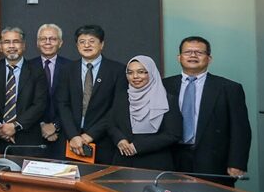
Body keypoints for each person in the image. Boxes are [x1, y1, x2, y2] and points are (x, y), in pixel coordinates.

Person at [163, 36, 252, 187]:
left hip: (213, 161)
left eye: (199, 52)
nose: (193, 55)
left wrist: (237, 162)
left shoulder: (229, 88)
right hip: (172, 158)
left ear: (209, 58)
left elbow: (240, 129)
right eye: (188, 52)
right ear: (179, 57)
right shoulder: (164, 86)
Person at [56, 24, 126, 164]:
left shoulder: (117, 70)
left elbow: (116, 109)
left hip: (103, 139)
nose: (86, 45)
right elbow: (62, 104)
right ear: (77, 45)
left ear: (102, 44)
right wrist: (74, 136)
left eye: (92, 41)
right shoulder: (67, 70)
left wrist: (90, 135)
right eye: (82, 41)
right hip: (72, 140)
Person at [108, 56, 182, 170]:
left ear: (152, 73)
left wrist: (138, 146)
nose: (135, 76)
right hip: (123, 161)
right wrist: (119, 139)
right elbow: (111, 124)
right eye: (130, 72)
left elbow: (173, 134)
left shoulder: (168, 99)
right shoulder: (122, 97)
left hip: (155, 162)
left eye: (141, 72)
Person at [0, 26, 48, 154]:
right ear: (0, 47)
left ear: (24, 46)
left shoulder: (37, 70)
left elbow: (40, 105)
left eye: (16, 42)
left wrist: (15, 126)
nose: (11, 46)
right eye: (7, 42)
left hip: (27, 139)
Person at [29, 23, 73, 159]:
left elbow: (75, 102)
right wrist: (42, 125)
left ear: (60, 43)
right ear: (37, 43)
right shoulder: (27, 67)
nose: (47, 42)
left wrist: (55, 125)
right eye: (43, 39)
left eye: (53, 39)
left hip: (64, 134)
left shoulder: (72, 67)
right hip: (33, 133)